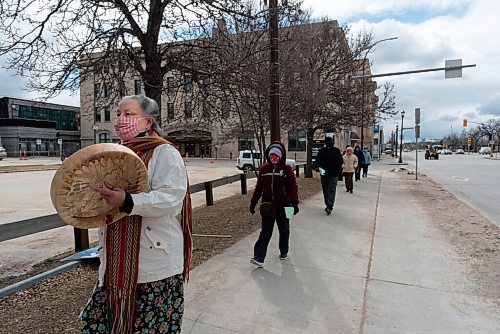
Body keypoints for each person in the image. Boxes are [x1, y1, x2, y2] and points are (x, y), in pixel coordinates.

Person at [81, 95, 192, 334]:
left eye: (128, 114)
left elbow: (172, 199)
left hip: (154, 266)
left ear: (148, 122)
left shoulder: (164, 152)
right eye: (119, 114)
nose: (120, 120)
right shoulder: (113, 154)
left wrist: (128, 201)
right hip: (115, 263)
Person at [249, 141, 299, 267]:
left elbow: (293, 187)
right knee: (266, 231)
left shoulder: (286, 169)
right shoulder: (264, 169)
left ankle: (284, 250)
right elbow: (258, 188)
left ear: (281, 156)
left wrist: (294, 202)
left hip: (285, 205)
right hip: (268, 205)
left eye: (276, 156)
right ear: (268, 156)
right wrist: (253, 203)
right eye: (272, 156)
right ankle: (258, 257)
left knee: (285, 229)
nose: (274, 159)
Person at [315, 136, 343, 215]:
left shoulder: (336, 151)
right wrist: (318, 168)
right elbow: (318, 161)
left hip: (333, 174)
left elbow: (340, 161)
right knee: (326, 189)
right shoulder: (322, 151)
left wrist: (338, 169)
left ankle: (330, 206)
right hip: (324, 174)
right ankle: (327, 203)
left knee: (331, 189)